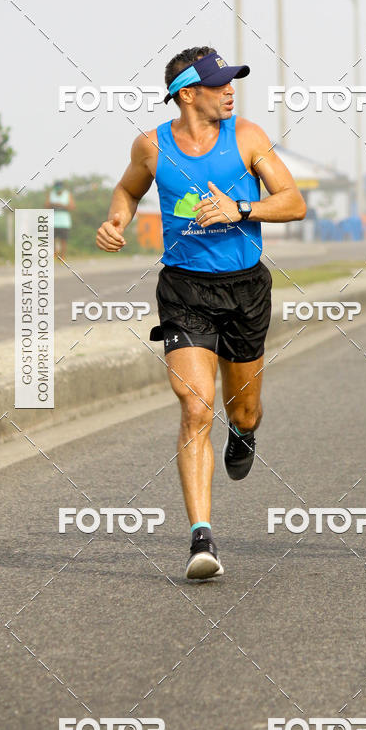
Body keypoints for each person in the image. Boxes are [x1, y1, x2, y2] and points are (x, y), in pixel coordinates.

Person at [96, 46, 306, 578]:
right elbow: (127, 188)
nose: (230, 89)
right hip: (184, 289)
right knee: (194, 408)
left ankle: (245, 432)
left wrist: (240, 208)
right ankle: (201, 541)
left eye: (232, 81)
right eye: (219, 83)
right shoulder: (151, 146)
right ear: (188, 93)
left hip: (245, 289)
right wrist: (117, 220)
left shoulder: (248, 138)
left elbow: (293, 202)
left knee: (244, 410)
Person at [46, 181, 75, 258]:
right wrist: (54, 204)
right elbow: (46, 206)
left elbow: (72, 207)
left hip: (64, 222)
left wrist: (62, 205)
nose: (58, 190)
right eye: (57, 189)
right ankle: (55, 255)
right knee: (52, 239)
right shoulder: (51, 194)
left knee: (63, 240)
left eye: (60, 189)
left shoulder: (67, 194)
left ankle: (62, 256)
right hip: (52, 221)